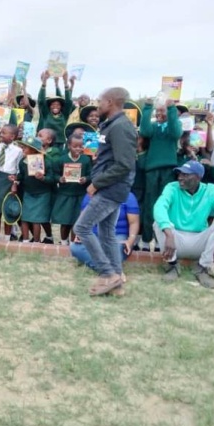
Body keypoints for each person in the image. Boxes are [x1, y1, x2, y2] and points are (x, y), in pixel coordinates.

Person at [73, 87, 137, 296]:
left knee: (82, 228)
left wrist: (97, 183)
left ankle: (107, 273)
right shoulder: (111, 124)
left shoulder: (121, 126)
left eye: (100, 101)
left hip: (111, 189)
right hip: (111, 187)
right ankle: (116, 282)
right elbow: (112, 157)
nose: (97, 104)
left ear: (110, 102)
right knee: (107, 233)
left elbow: (124, 165)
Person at [153, 161, 214, 288]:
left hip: (199, 243)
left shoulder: (211, 191)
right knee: (158, 223)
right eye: (180, 174)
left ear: (198, 178)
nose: (180, 177)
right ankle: (172, 266)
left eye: (186, 175)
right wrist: (169, 234)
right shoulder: (172, 187)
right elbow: (160, 206)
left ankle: (202, 268)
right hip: (175, 242)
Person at [139, 98, 183, 251]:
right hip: (151, 169)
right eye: (157, 111)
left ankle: (160, 240)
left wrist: (171, 109)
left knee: (164, 205)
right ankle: (146, 240)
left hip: (168, 169)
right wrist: (148, 108)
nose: (159, 114)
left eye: (162, 111)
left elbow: (176, 132)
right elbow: (144, 131)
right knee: (149, 204)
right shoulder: (153, 127)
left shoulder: (174, 126)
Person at [70, 192, 140, 282]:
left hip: (117, 235)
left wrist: (130, 241)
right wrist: (80, 235)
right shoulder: (91, 195)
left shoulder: (128, 196)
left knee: (117, 249)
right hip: (94, 234)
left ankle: (108, 270)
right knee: (76, 248)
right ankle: (112, 271)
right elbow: (83, 219)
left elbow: (134, 222)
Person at [52, 132, 92, 244]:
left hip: (80, 194)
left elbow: (91, 175)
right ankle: (63, 242)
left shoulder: (86, 160)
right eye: (75, 146)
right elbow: (54, 174)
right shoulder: (62, 159)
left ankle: (75, 242)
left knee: (77, 220)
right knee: (65, 221)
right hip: (65, 194)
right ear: (69, 146)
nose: (78, 149)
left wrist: (85, 179)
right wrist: (60, 179)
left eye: (80, 146)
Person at [0, 124, 24, 240]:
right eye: (0, 132)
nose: (1, 135)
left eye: (3, 133)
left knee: (8, 210)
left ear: (12, 136)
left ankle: (8, 238)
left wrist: (15, 184)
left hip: (9, 180)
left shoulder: (18, 151)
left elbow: (18, 169)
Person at [15, 138, 55, 242]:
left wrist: (43, 178)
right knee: (24, 218)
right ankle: (25, 240)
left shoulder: (46, 161)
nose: (23, 149)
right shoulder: (23, 162)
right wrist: (15, 180)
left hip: (42, 194)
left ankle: (36, 242)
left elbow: (52, 179)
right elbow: (21, 176)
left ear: (33, 150)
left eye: (26, 147)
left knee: (36, 220)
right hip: (28, 193)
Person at [37, 70, 74, 149]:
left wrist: (65, 83)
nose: (55, 106)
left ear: (61, 107)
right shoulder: (46, 114)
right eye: (53, 104)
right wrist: (44, 83)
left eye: (58, 104)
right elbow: (41, 100)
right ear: (49, 107)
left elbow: (69, 101)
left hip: (60, 144)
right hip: (46, 144)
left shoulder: (64, 115)